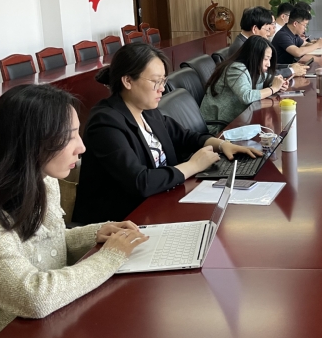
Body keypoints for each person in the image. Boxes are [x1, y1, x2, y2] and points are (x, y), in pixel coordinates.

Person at [0, 84, 150, 338]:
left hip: (50, 328)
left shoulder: (44, 180)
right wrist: (110, 257)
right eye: (69, 136)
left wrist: (95, 233)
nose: (81, 147)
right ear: (30, 142)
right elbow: (33, 297)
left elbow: (47, 243)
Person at [73, 43, 261, 224]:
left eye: (163, 81)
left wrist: (222, 144)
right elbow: (140, 181)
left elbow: (185, 136)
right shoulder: (105, 123)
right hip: (124, 221)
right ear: (128, 81)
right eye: (156, 81)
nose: (162, 88)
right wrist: (193, 165)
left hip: (160, 202)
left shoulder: (147, 110)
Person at [200, 35, 289, 135]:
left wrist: (278, 82)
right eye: (266, 59)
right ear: (254, 57)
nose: (268, 64)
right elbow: (246, 96)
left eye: (269, 59)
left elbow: (266, 78)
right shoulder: (236, 69)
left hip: (238, 120)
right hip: (219, 127)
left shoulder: (252, 69)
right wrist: (274, 88)